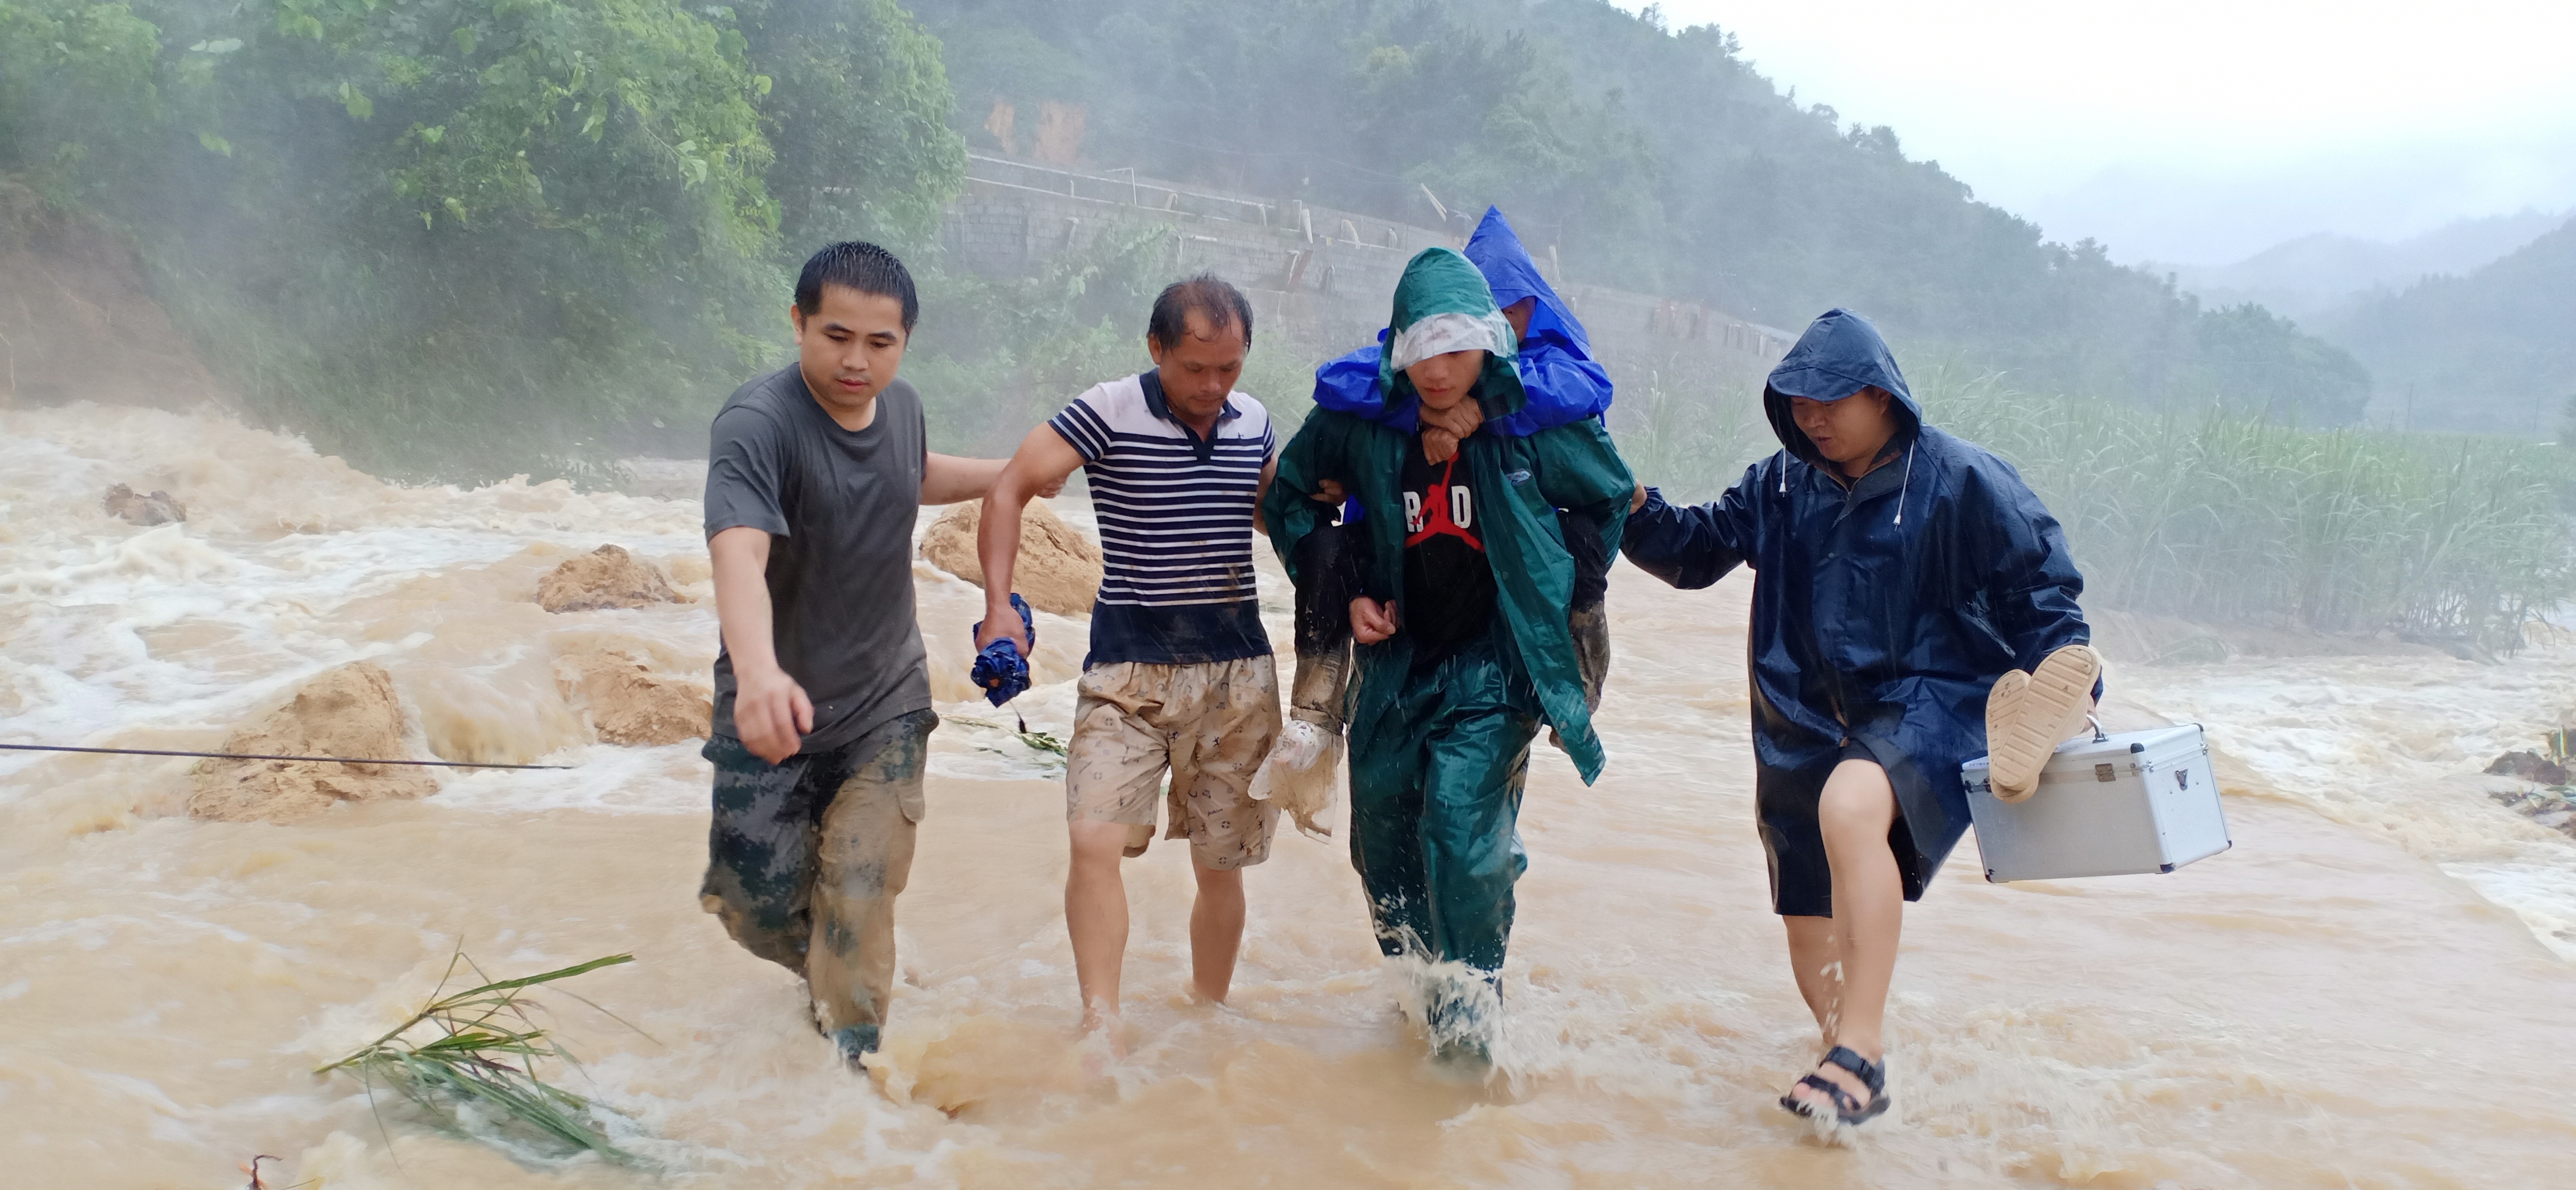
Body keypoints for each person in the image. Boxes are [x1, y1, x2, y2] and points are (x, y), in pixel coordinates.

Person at [1620, 308, 2101, 1126]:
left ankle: (1862, 1051)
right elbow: (1696, 551)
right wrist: (1626, 503)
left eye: (1829, 403)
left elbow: (2041, 591)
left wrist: (2069, 679)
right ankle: (1848, 1081)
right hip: (1799, 713)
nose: (1812, 419)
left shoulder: (1962, 478)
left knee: (1852, 808)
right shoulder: (1778, 484)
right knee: (1810, 932)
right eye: (1798, 404)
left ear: (1881, 397)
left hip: (1929, 696)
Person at [1262, 247, 1635, 1066]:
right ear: (1397, 349)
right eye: (1422, 352)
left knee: (1462, 822)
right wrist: (1342, 586)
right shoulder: (1361, 422)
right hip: (1397, 656)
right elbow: (1287, 495)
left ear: (1490, 349)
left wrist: (1561, 577)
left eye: (1458, 352)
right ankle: (1420, 991)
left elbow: (1612, 494)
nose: (1440, 372)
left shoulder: (1533, 421)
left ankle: (1470, 1028)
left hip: (1495, 659)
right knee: (1383, 832)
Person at [699, 241, 1048, 1066]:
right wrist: (757, 673)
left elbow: (909, 472)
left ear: (905, 343)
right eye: (835, 336)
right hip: (770, 705)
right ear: (798, 323)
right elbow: (737, 553)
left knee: (858, 891)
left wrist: (1011, 474)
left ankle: (854, 1091)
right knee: (750, 906)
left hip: (883, 704)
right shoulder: (759, 425)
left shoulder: (904, 408)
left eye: (880, 344)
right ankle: (832, 974)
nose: (857, 361)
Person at [974, 275, 1282, 1046]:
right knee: (1092, 839)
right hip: (1127, 674)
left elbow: (1283, 523)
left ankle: (1210, 1017)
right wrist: (999, 608)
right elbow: (1011, 487)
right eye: (1195, 368)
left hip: (1237, 674)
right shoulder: (1106, 410)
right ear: (1156, 349)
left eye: (1230, 369)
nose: (1214, 387)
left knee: (1221, 865)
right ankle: (1099, 1025)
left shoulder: (1255, 424)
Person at [1262, 207, 1619, 815]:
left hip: (1503, 607)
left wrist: (1488, 409)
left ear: (1533, 308)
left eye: (1504, 315)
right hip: (1397, 598)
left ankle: (1576, 686)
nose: (1445, 359)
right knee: (1384, 828)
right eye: (1436, 335)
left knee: (1463, 826)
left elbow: (1592, 421)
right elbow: (1346, 386)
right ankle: (1315, 710)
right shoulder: (1404, 380)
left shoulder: (1556, 368)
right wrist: (1418, 415)